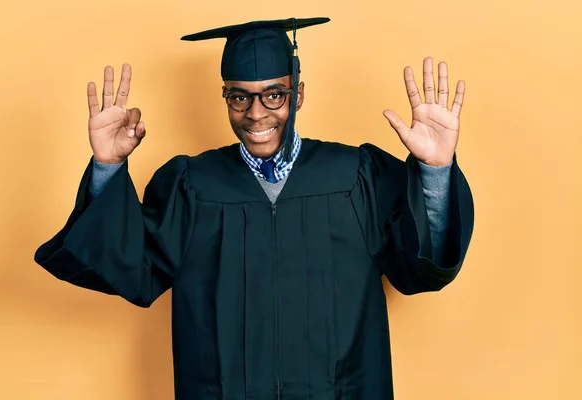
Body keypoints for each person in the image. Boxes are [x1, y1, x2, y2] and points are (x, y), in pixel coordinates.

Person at [35, 17, 474, 400]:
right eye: (240, 96)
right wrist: (107, 168)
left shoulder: (356, 175)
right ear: (226, 97)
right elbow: (129, 268)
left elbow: (422, 267)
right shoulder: (192, 185)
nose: (256, 112)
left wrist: (435, 172)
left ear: (297, 95)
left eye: (273, 95)